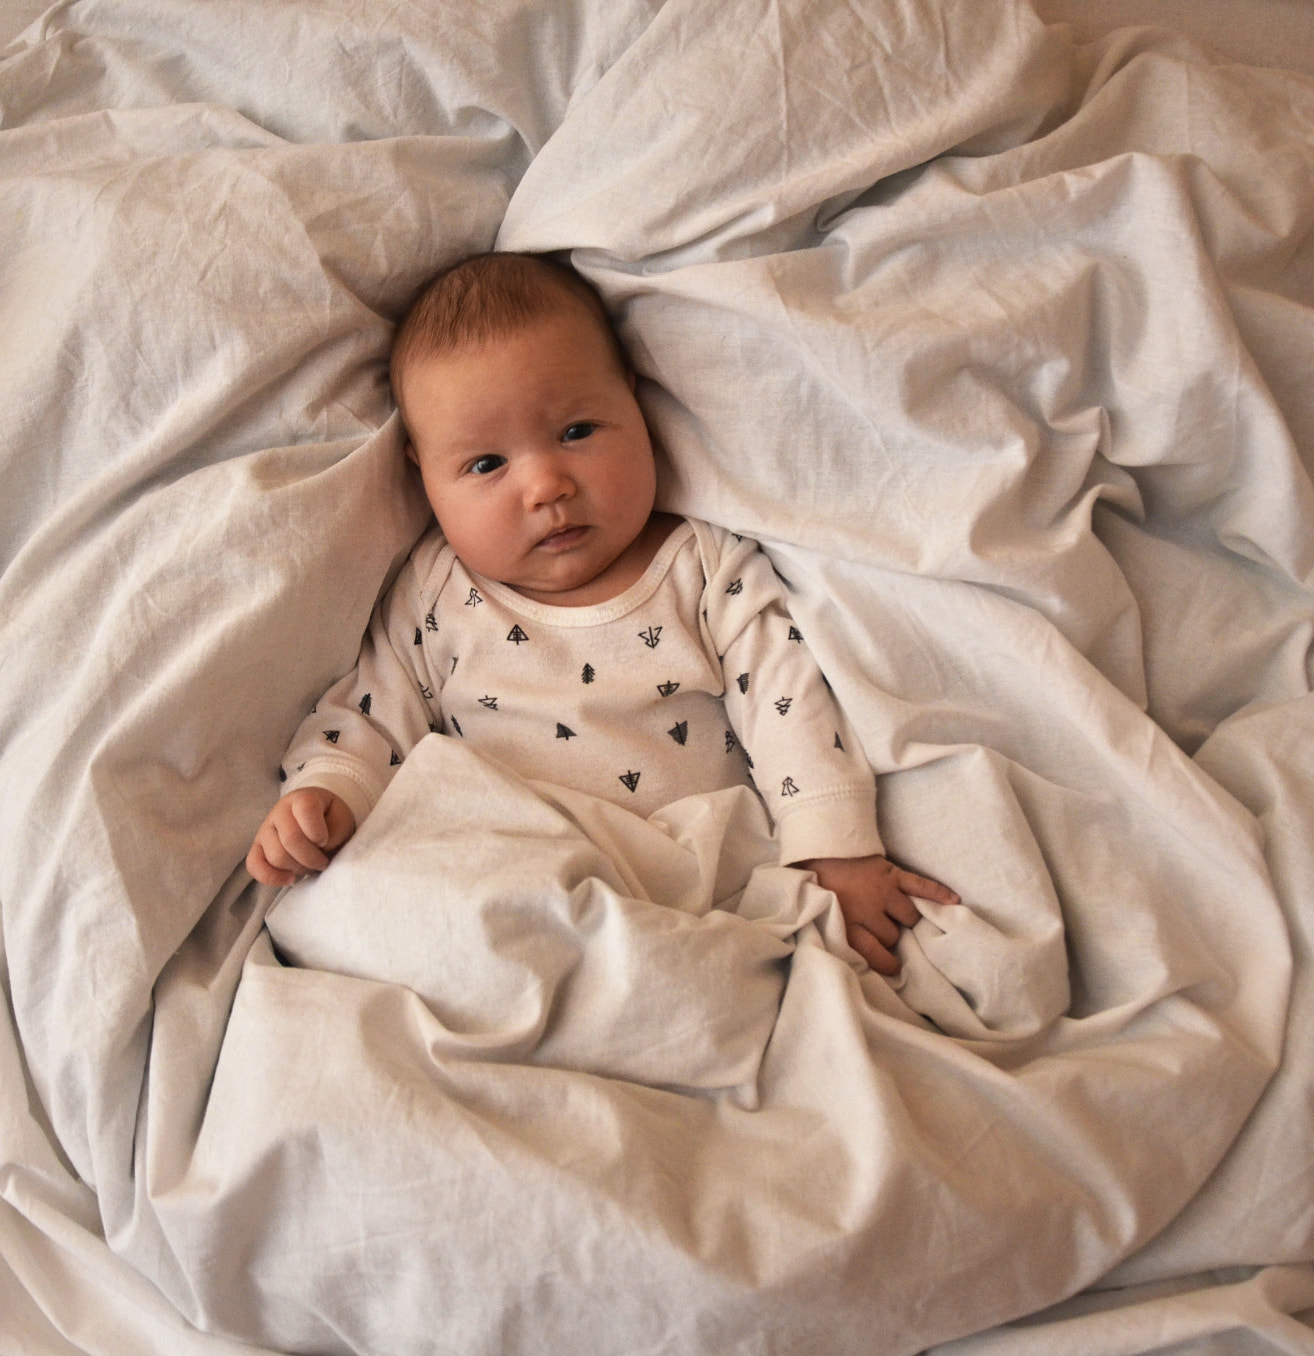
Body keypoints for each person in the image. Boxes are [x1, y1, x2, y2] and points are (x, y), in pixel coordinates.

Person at [246, 252, 956, 976]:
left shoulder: (702, 568)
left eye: (579, 431)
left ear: (638, 405)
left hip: (682, 878)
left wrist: (837, 849)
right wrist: (327, 794)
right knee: (361, 903)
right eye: (487, 465)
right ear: (421, 475)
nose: (547, 485)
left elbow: (787, 701)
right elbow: (371, 713)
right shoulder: (435, 593)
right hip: (509, 874)